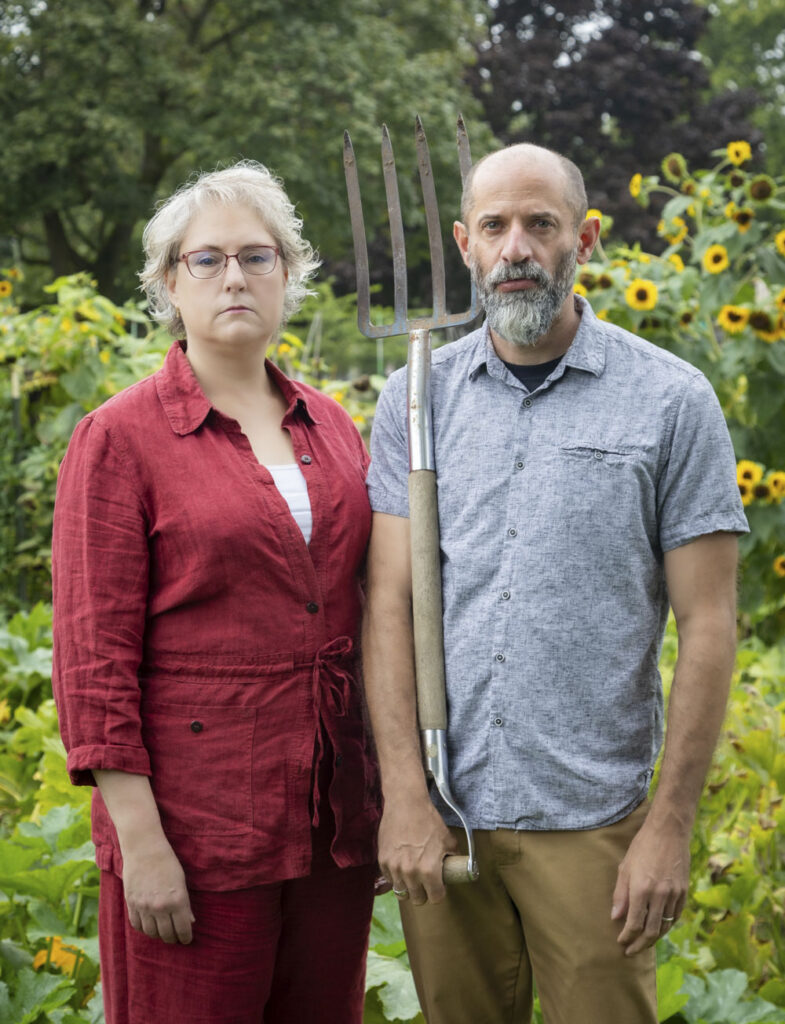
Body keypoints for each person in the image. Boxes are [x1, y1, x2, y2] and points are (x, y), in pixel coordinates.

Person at [361, 143, 748, 1024]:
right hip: (445, 815)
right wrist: (402, 799)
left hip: (590, 822)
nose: (516, 248)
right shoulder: (414, 400)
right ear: (465, 244)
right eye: (494, 226)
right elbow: (386, 606)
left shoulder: (668, 401)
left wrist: (669, 827)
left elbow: (710, 621)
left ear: (587, 238)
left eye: (540, 224)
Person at [52, 161, 380, 1024]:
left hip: (329, 824)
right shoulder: (118, 439)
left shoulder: (333, 426)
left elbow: (368, 609)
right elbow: (94, 661)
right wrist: (143, 843)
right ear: (170, 283)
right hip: (200, 831)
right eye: (207, 260)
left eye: (257, 256)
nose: (234, 276)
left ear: (288, 275)